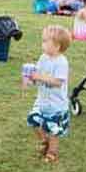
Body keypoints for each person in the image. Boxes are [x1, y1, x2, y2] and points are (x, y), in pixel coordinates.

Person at [27, 25, 72, 163]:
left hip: (56, 105)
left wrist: (39, 77)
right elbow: (39, 73)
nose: (43, 44)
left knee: (53, 130)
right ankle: (44, 141)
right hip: (42, 101)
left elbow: (58, 82)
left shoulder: (61, 62)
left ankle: (52, 152)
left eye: (46, 41)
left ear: (57, 46)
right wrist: (31, 78)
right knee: (33, 120)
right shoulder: (43, 58)